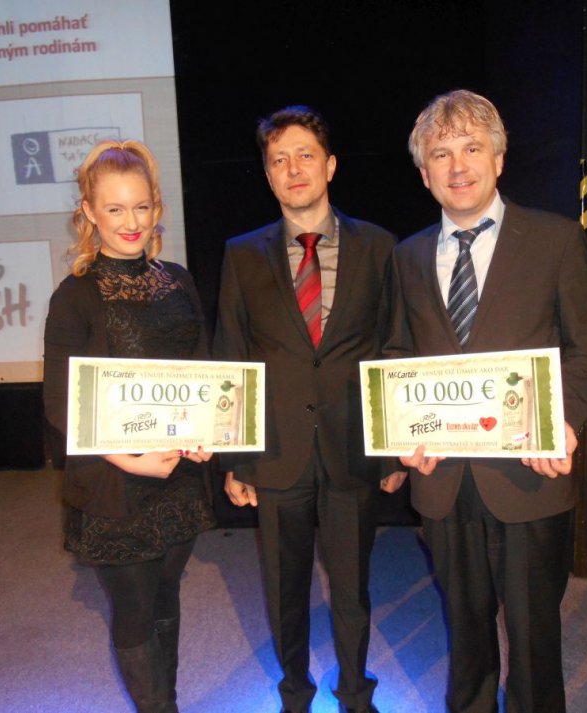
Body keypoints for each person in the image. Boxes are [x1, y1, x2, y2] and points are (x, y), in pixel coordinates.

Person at [386, 90, 587, 712]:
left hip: (528, 477)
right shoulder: (406, 257)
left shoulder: (555, 240)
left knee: (535, 637)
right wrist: (402, 434)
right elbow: (397, 357)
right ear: (424, 173)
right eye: (441, 154)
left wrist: (563, 422)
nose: (458, 166)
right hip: (443, 481)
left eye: (472, 148)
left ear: (499, 157)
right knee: (465, 635)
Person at [213, 106, 400, 713]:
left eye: (305, 156)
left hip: (353, 446)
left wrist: (393, 448)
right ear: (268, 175)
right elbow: (231, 355)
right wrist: (236, 458)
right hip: (275, 450)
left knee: (352, 588)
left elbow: (393, 348)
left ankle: (356, 694)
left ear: (331, 165)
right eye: (279, 160)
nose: (293, 169)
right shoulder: (242, 254)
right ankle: (295, 693)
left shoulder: (380, 246)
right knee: (283, 588)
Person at [43, 139, 214, 713]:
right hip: (114, 481)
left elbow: (202, 373)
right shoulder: (75, 296)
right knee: (136, 611)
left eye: (141, 206)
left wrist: (208, 433)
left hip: (178, 478)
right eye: (114, 208)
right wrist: (130, 458)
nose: (131, 221)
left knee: (166, 600)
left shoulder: (179, 281)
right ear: (89, 211)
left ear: (156, 207)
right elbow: (61, 402)